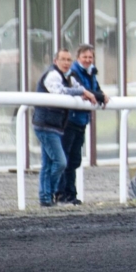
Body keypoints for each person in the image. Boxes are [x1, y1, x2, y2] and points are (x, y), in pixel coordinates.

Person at [33, 49, 97, 207]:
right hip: (45, 125)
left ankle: (46, 199)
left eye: (68, 60)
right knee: (60, 162)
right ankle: (50, 193)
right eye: (63, 59)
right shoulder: (52, 75)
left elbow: (79, 88)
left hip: (55, 126)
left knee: (49, 163)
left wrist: (89, 93)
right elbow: (59, 91)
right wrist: (81, 92)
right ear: (56, 61)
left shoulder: (69, 76)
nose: (66, 63)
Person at [58, 45, 108, 205]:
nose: (87, 60)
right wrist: (101, 96)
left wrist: (99, 95)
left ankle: (70, 194)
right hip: (69, 121)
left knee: (74, 160)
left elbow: (96, 91)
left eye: (90, 57)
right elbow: (84, 91)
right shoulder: (73, 72)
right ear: (78, 58)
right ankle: (61, 194)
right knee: (64, 160)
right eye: (85, 57)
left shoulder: (92, 72)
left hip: (81, 121)